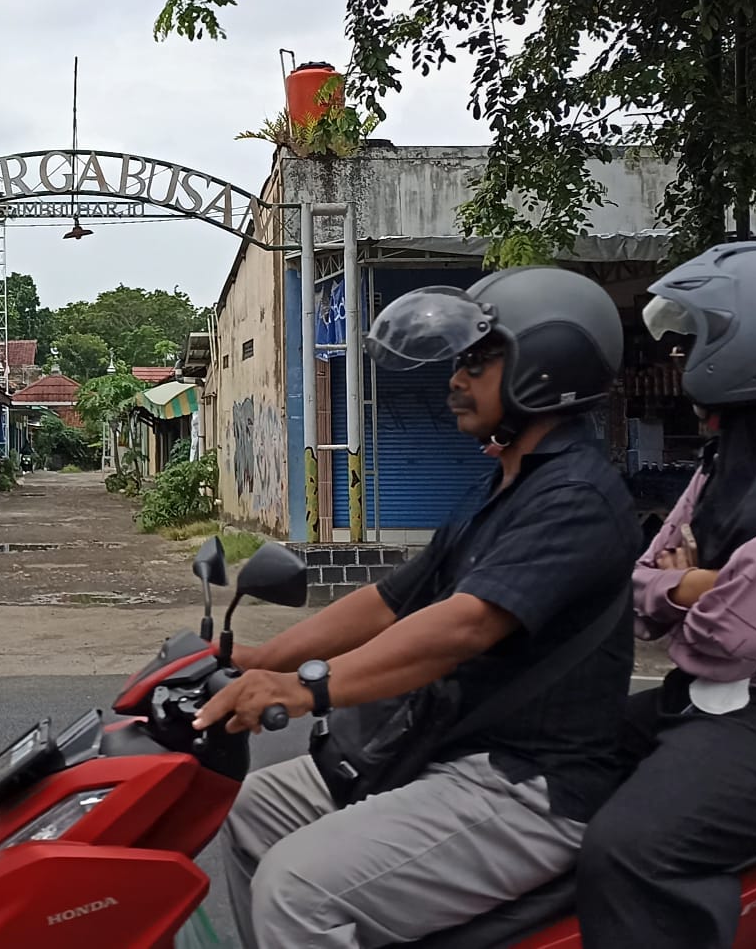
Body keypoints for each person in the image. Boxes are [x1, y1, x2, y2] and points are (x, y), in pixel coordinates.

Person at [196, 266, 642, 948]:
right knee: (254, 807)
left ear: (548, 367)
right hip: (443, 752)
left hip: (526, 785)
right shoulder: (505, 486)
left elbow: (461, 624)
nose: (456, 381)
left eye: (480, 362)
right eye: (459, 362)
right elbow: (385, 601)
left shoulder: (575, 499)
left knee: (297, 889)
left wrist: (304, 689)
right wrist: (248, 659)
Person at [576, 241, 756, 948]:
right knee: (562, 748)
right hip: (725, 698)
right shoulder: (737, 454)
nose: (678, 357)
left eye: (696, 340)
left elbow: (728, 641)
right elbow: (641, 582)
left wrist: (677, 590)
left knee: (628, 851)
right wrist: (693, 584)